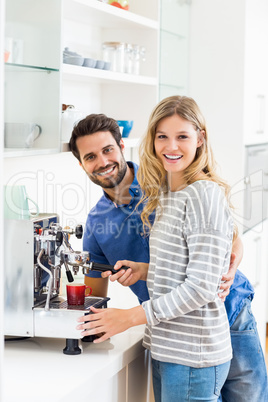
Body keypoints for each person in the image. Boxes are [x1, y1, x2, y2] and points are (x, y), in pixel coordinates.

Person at [69, 109, 268, 401]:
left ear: (122, 147)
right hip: (176, 334)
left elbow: (226, 228)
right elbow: (93, 297)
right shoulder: (97, 224)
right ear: (81, 164)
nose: (103, 162)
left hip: (229, 310)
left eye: (108, 150)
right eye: (90, 157)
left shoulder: (167, 177)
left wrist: (234, 254)